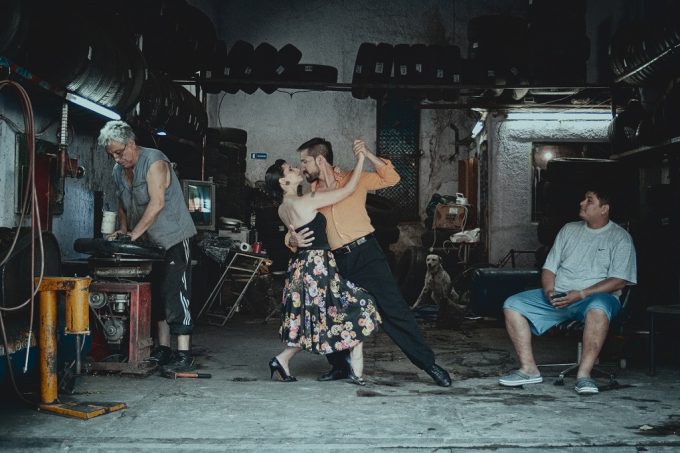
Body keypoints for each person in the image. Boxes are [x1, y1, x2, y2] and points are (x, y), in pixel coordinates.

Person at [287, 138, 452, 387]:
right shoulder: (310, 195)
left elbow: (392, 178)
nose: (302, 167)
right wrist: (290, 239)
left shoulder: (355, 178)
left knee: (393, 308)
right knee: (332, 313)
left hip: (366, 254)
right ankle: (339, 366)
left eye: (305, 161)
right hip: (333, 260)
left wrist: (368, 154)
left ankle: (429, 364)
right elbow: (293, 226)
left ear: (320, 159)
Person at [265, 140, 381, 385]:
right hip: (317, 266)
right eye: (291, 170)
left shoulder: (283, 208)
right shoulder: (306, 200)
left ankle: (285, 360)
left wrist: (291, 239)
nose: (298, 169)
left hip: (300, 267)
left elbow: (295, 234)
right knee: (358, 304)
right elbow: (348, 189)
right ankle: (354, 362)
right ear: (284, 182)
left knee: (316, 317)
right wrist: (361, 159)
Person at [500, 188, 637, 394]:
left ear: (604, 209)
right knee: (513, 305)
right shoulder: (569, 230)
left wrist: (581, 294)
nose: (582, 203)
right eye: (583, 199)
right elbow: (549, 268)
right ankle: (529, 369)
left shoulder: (620, 237)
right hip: (560, 296)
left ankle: (584, 375)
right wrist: (549, 292)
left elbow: (619, 281)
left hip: (594, 299)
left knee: (598, 309)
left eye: (589, 200)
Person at [97, 120, 197, 373]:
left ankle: (184, 353)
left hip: (173, 237)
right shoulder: (118, 171)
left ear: (131, 143)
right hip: (147, 242)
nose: (117, 159)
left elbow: (157, 203)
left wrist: (133, 235)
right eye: (111, 155)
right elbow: (122, 204)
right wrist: (123, 229)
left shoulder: (155, 162)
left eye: (119, 152)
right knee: (157, 294)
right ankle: (163, 349)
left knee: (175, 292)